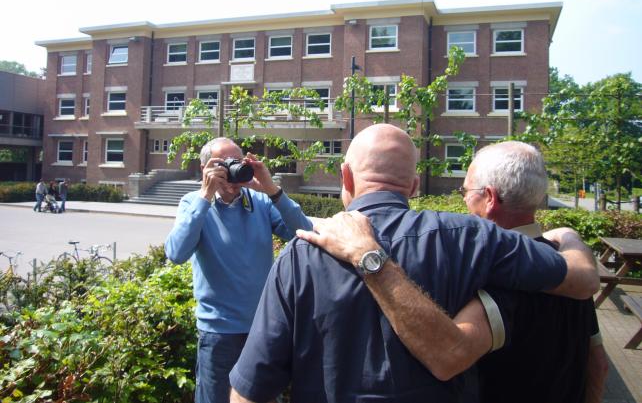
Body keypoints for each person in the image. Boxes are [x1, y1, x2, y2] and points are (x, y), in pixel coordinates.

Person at [229, 124, 598, 403]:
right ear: (415, 185)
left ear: (345, 177)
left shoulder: (300, 255)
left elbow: (250, 390)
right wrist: (568, 236)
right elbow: (582, 281)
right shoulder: (473, 237)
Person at [164, 137, 312, 403]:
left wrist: (271, 189)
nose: (231, 170)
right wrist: (205, 196)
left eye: (236, 162)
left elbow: (303, 232)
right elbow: (176, 253)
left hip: (262, 330)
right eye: (223, 164)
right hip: (218, 333)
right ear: (205, 168)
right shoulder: (193, 203)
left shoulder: (260, 201)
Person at [460, 141, 608, 403]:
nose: (464, 199)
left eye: (466, 190)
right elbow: (598, 364)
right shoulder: (573, 269)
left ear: (490, 198)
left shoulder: (482, 271)